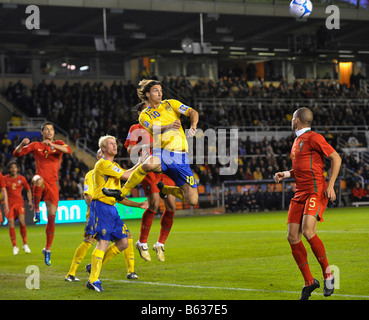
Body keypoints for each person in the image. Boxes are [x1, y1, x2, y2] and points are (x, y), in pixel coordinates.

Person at [274, 107, 341, 300]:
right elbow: (303, 168)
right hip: (300, 193)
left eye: (292, 118)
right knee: (292, 237)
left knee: (308, 230)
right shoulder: (297, 141)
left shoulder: (314, 137)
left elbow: (336, 158)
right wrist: (286, 174)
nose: (291, 121)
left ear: (297, 120)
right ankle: (309, 282)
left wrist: (331, 185)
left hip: (315, 191)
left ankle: (328, 274)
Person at [103, 79, 199, 209]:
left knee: (192, 200)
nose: (160, 93)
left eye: (160, 90)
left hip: (180, 157)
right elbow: (154, 128)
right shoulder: (144, 115)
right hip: (163, 153)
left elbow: (193, 112)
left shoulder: (171, 104)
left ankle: (166, 189)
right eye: (156, 91)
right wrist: (169, 126)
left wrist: (193, 125)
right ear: (147, 94)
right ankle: (122, 192)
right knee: (148, 164)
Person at [65, 149, 147, 282]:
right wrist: (96, 212)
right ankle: (71, 273)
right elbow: (88, 196)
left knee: (126, 238)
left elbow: (119, 196)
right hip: (98, 213)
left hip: (111, 213)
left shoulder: (114, 174)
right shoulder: (91, 175)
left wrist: (137, 205)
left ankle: (129, 271)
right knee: (90, 241)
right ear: (99, 156)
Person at [85, 135, 146, 292]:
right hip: (101, 207)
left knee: (123, 242)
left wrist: (138, 204)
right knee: (103, 243)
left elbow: (119, 194)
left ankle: (94, 267)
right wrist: (142, 165)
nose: (115, 145)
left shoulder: (114, 166)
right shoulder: (103, 164)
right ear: (103, 148)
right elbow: (127, 176)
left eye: (115, 143)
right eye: (110, 143)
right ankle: (93, 280)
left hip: (111, 209)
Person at [13, 122, 71, 266]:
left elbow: (68, 150)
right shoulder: (35, 146)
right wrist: (22, 143)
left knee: (52, 219)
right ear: (42, 132)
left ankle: (47, 249)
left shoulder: (58, 144)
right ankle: (37, 210)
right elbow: (17, 153)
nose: (50, 131)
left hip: (53, 185)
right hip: (41, 181)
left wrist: (53, 146)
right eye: (47, 129)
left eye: (51, 129)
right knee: (37, 179)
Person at [124, 101, 177, 262]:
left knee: (171, 206)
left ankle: (160, 244)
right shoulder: (135, 129)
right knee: (153, 203)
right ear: (140, 113)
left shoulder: (162, 124)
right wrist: (146, 145)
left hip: (166, 166)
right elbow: (129, 150)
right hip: (148, 166)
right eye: (145, 109)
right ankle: (142, 242)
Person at [3, 161, 33, 255]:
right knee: (11, 223)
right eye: (12, 167)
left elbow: (28, 190)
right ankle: (15, 246)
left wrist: (30, 201)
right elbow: (3, 191)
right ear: (9, 169)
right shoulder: (4, 179)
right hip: (10, 205)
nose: (13, 169)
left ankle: (25, 244)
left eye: (15, 167)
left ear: (18, 169)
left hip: (19, 204)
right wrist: (6, 204)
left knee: (22, 222)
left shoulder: (22, 179)